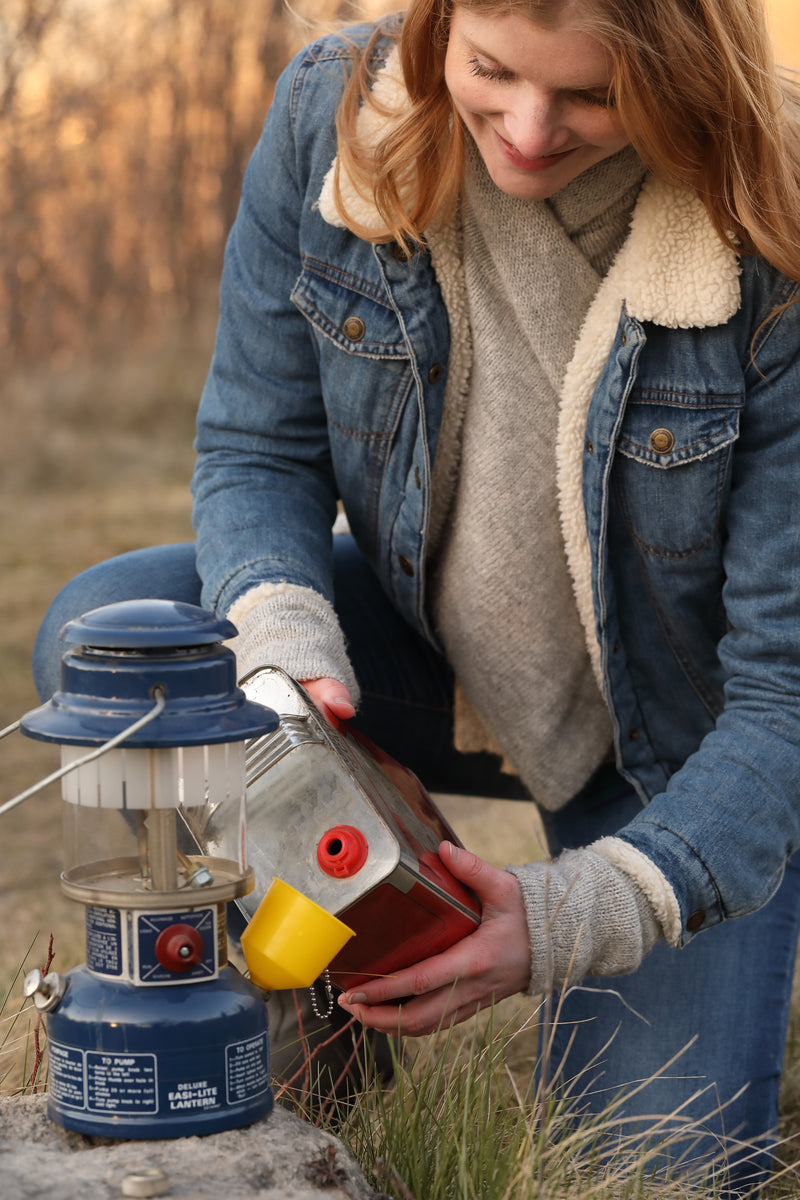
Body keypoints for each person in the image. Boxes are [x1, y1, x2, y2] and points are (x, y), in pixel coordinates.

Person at [32, 0, 800, 1190]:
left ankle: (459, 915)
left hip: (679, 744)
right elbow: (254, 449)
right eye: (491, 69)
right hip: (419, 647)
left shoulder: (774, 218)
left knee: (644, 1175)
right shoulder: (331, 111)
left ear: (684, 79)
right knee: (125, 648)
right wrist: (285, 669)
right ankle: (321, 1038)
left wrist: (571, 917)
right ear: (442, 25)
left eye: (591, 97)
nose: (528, 130)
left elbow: (783, 692)